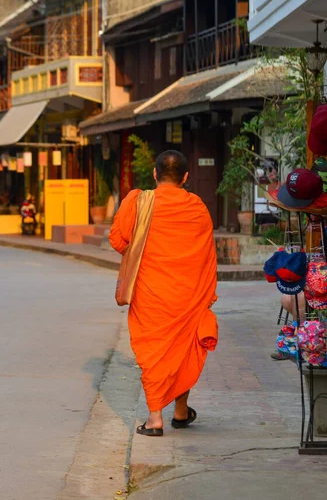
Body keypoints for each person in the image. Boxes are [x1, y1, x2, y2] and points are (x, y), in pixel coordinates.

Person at [109, 150, 218, 437]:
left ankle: (155, 417)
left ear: (155, 174)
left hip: (151, 292)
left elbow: (118, 240)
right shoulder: (198, 207)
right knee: (183, 348)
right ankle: (180, 412)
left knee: (154, 351)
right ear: (185, 177)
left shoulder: (139, 201)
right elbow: (208, 254)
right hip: (188, 293)